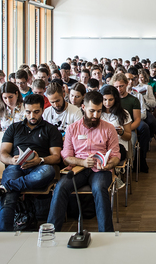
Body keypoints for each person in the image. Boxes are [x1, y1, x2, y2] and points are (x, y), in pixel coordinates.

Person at [0, 94, 62, 231]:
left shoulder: (50, 129)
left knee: (49, 171)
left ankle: (4, 187)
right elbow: (3, 154)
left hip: (38, 167)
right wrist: (11, 159)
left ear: (42, 111)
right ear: (24, 110)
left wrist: (40, 160)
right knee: (9, 197)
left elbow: (56, 157)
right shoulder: (14, 128)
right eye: (28, 112)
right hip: (16, 166)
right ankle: (3, 234)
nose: (32, 116)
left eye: (36, 112)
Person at [47, 91, 120, 232]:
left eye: (99, 111)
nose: (95, 116)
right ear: (83, 107)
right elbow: (66, 155)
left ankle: (106, 233)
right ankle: (51, 232)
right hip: (78, 168)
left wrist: (109, 164)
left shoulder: (109, 128)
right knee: (60, 187)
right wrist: (82, 162)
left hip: (100, 169)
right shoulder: (73, 128)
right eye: (92, 111)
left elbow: (116, 154)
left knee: (99, 189)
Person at [100, 86, 133, 163]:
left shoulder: (124, 113)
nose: (107, 103)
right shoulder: (98, 112)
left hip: (118, 145)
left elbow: (128, 137)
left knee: (111, 154)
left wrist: (121, 132)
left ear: (116, 99)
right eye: (105, 100)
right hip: (101, 144)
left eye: (110, 100)